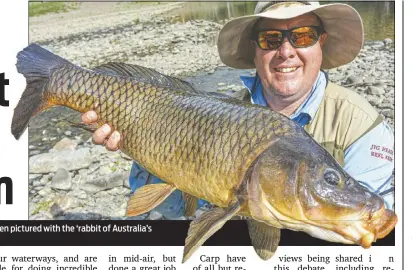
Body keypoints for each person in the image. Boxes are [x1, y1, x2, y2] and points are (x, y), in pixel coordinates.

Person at [81, 1, 394, 217]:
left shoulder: (362, 126)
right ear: (254, 50)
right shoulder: (219, 117)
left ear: (320, 43)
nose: (286, 51)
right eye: (271, 38)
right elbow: (179, 211)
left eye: (302, 36)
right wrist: (142, 149)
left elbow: (369, 225)